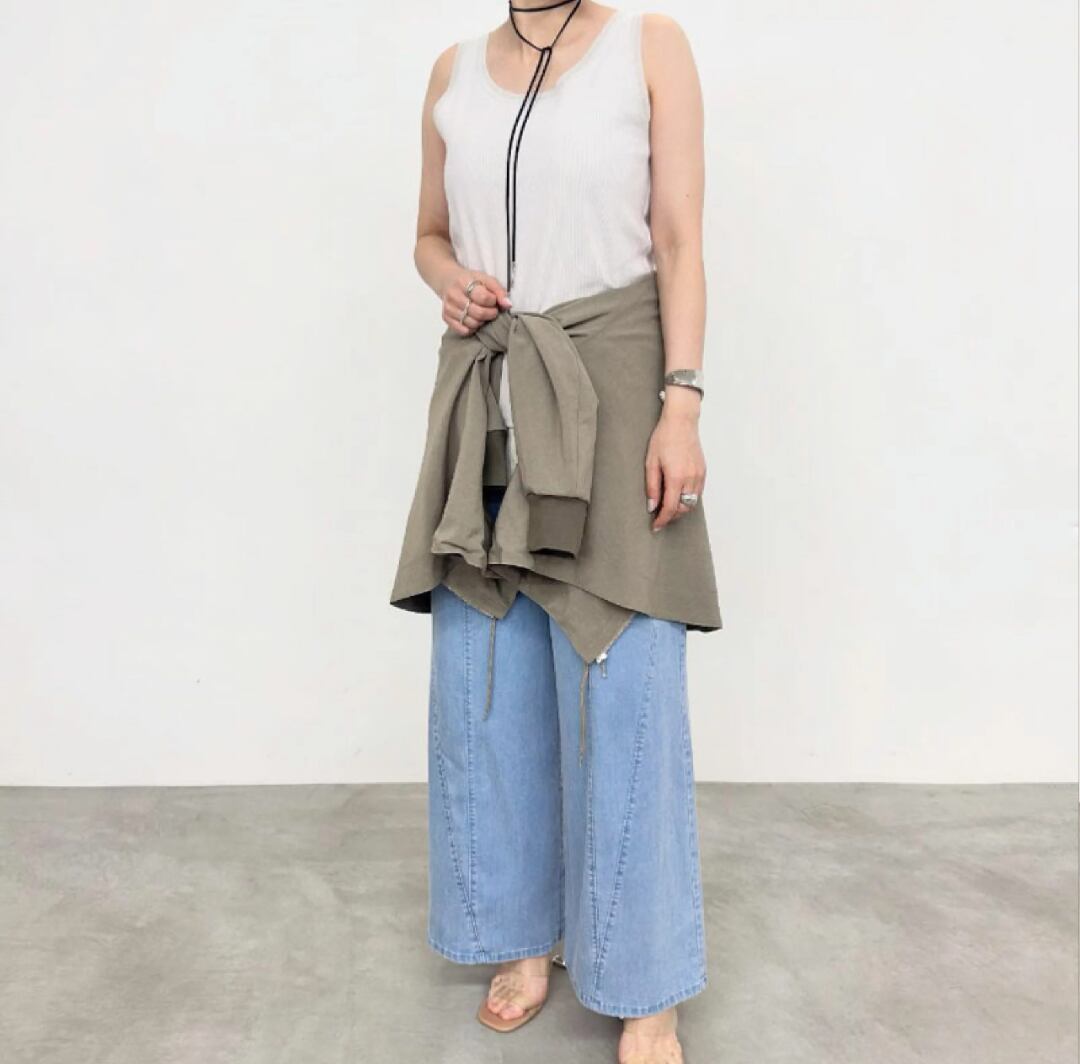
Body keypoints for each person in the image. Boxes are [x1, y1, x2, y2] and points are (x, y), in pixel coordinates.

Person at [390, 2, 721, 1060]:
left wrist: (681, 402)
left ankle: (647, 978)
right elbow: (428, 235)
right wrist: (450, 281)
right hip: (487, 395)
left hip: (614, 393)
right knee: (487, 682)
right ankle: (522, 937)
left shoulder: (649, 45)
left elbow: (679, 237)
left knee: (628, 681)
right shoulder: (451, 71)